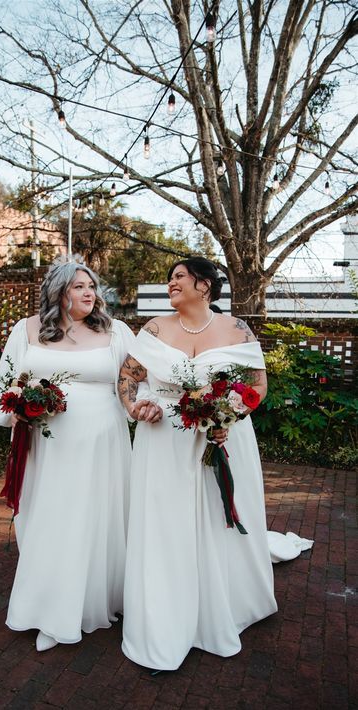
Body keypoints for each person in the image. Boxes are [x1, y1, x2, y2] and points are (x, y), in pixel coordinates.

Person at [118, 256, 278, 670]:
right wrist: (135, 408)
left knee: (216, 520)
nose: (170, 283)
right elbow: (128, 377)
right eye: (169, 278)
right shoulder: (154, 328)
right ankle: (166, 613)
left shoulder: (235, 328)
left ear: (204, 285)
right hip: (164, 442)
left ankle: (224, 604)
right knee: (166, 524)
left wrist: (230, 415)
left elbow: (258, 384)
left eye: (178, 277)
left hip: (226, 439)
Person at [0, 256, 135, 652]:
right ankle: (48, 605)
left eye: (92, 287)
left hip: (102, 443)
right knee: (48, 520)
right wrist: (16, 407)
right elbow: (4, 384)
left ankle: (88, 604)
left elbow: (138, 385)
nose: (90, 293)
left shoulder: (117, 332)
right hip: (47, 444)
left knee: (94, 520)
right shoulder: (26, 330)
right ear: (59, 292)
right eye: (79, 287)